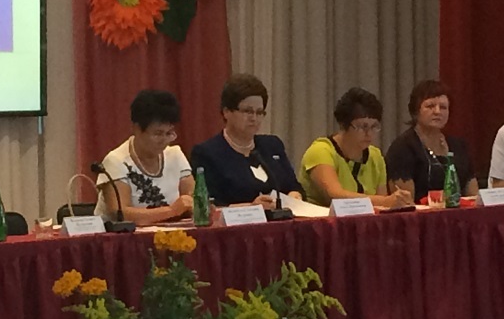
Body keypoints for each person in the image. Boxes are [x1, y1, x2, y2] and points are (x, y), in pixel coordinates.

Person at [190, 74, 303, 207]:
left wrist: (295, 195)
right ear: (226, 112)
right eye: (247, 111)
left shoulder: (272, 146)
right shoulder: (206, 153)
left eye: (259, 112)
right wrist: (251, 207)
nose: (254, 118)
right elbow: (209, 205)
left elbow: (294, 186)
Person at [298, 87, 412, 209]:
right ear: (343, 125)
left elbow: (381, 204)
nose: (369, 133)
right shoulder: (321, 151)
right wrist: (385, 201)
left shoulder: (375, 156)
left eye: (374, 126)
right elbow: (335, 195)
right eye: (362, 127)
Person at [95, 89, 194, 226]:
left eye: (169, 133)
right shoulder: (116, 161)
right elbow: (121, 213)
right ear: (136, 129)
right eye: (158, 134)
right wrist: (172, 210)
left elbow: (194, 199)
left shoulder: (175, 155)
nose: (164, 140)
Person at [385, 79, 478, 202]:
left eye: (443, 107)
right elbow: (405, 202)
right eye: (430, 106)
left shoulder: (459, 146)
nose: (437, 112)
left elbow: (473, 196)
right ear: (416, 111)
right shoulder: (403, 147)